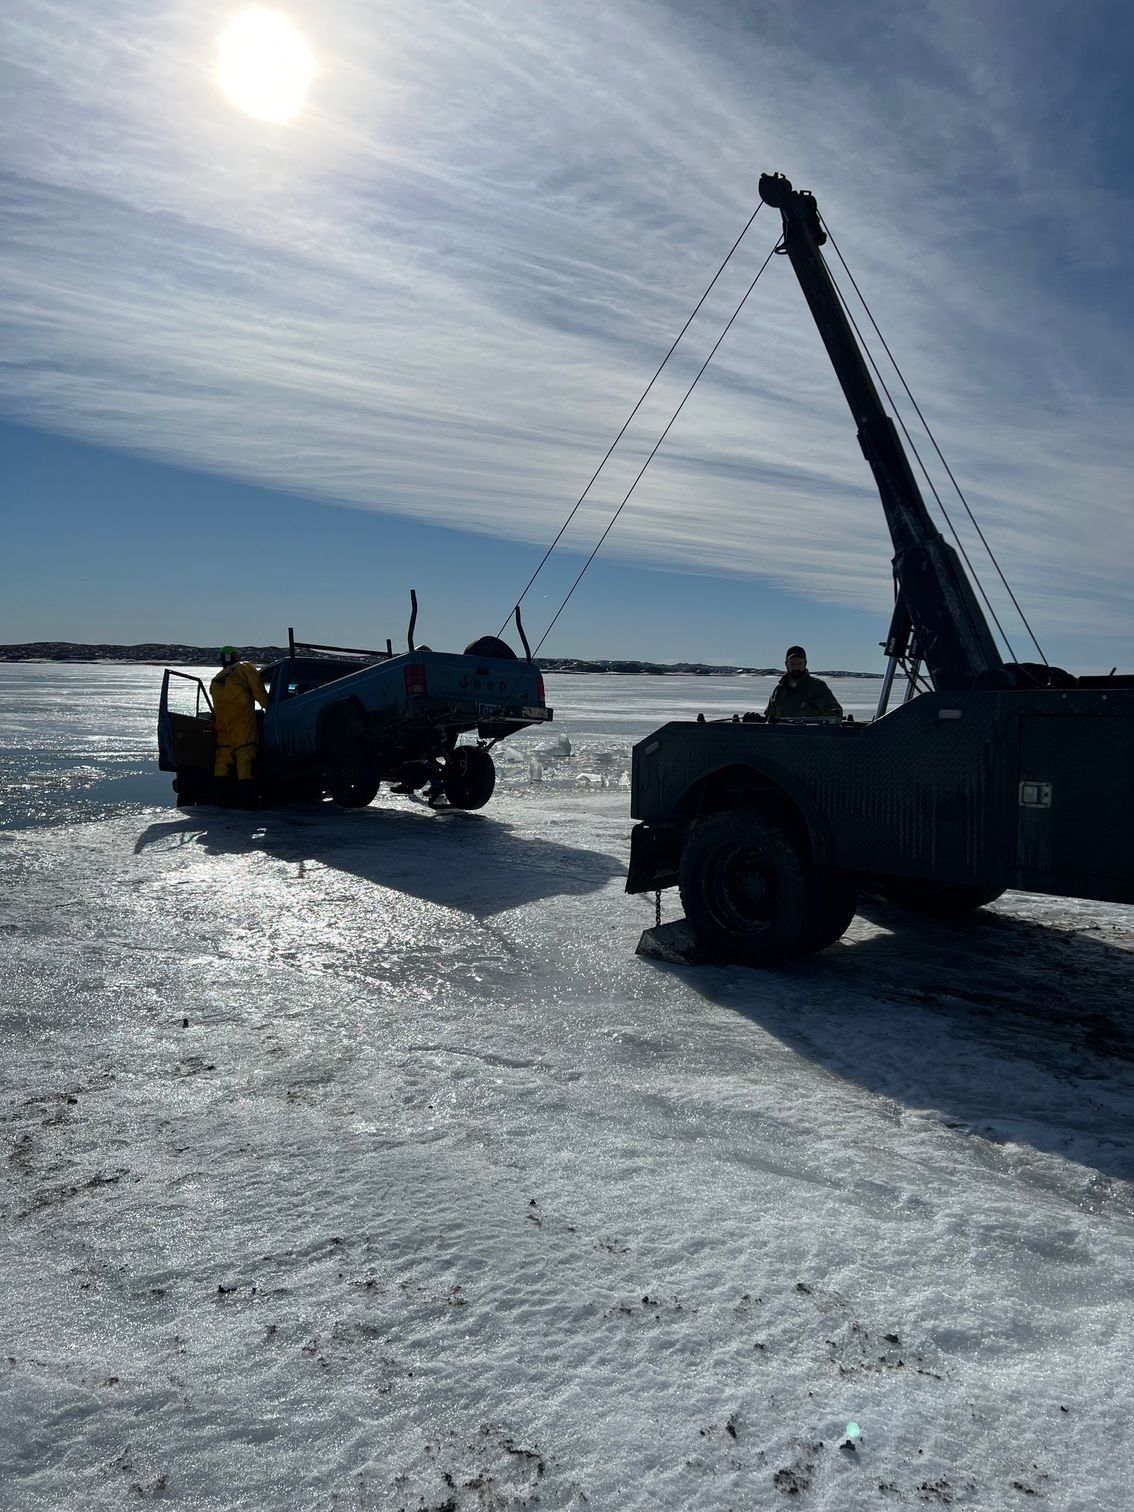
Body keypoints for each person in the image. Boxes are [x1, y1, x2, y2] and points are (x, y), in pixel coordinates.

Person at [210, 645, 269, 804]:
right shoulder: (244, 668)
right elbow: (257, 689)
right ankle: (247, 799)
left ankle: (223, 799)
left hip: (222, 723)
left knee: (223, 757)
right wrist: (269, 706)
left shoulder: (217, 678)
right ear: (234, 657)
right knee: (245, 755)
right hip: (241, 720)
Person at [765, 645, 843, 721]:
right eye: (792, 664)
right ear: (786, 665)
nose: (796, 667)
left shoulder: (817, 687)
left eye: (800, 663)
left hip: (812, 733)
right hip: (782, 733)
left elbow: (835, 713)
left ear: (805, 664)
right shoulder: (779, 690)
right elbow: (769, 717)